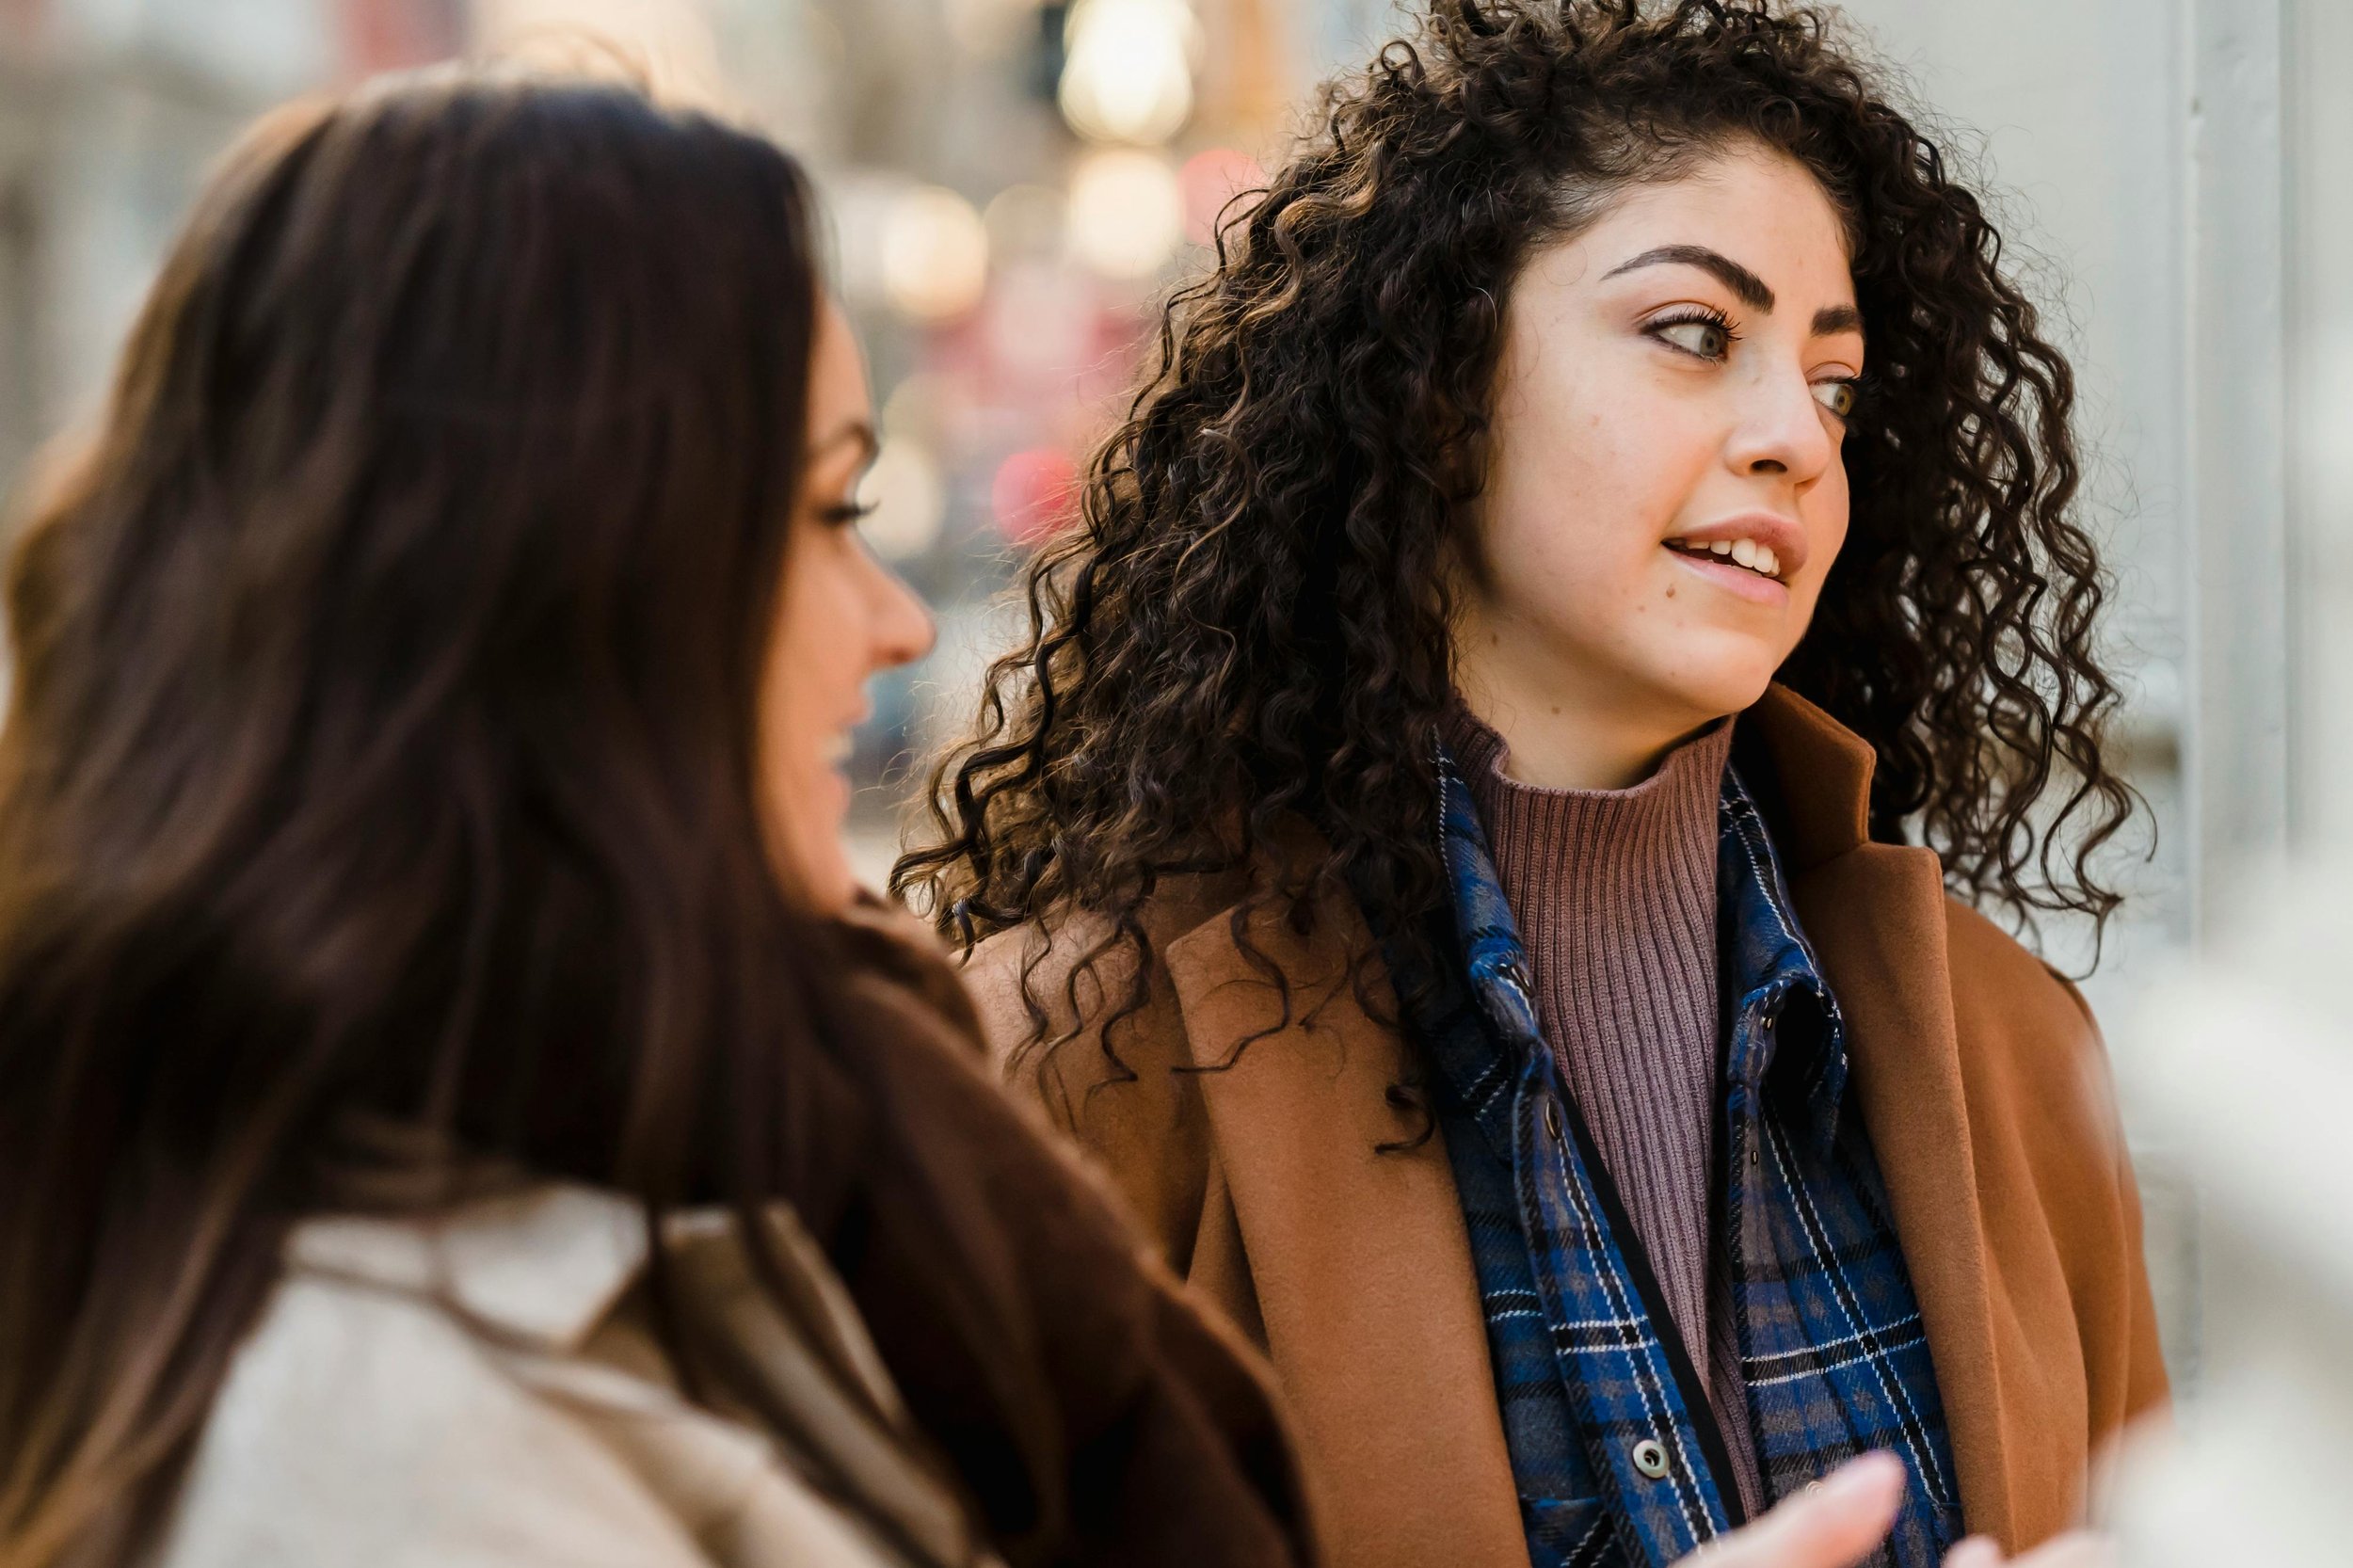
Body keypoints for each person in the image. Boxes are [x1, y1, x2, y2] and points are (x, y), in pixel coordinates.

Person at [894, 4, 2168, 1567]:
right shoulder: (1075, 1069)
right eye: (1696, 332)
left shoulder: (2016, 1057)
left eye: (1835, 384)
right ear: (1435, 384)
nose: (1795, 439)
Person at [0, 71, 1318, 1568]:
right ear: (569, 588)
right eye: (827, 515)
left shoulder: (756, 1138)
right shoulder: (386, 1449)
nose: (892, 623)